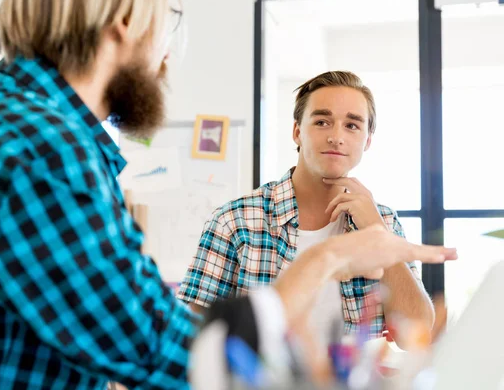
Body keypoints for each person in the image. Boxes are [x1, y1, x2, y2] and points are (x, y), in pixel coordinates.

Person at [0, 0, 456, 388]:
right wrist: (333, 256)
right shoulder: (38, 149)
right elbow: (172, 353)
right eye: (165, 24)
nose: (166, 56)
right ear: (124, 20)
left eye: (354, 124)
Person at [178, 71, 433, 347]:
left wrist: (376, 231)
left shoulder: (383, 221)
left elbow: (415, 334)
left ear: (367, 141)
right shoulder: (235, 221)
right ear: (297, 131)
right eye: (322, 122)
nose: (337, 137)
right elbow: (191, 337)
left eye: (352, 125)